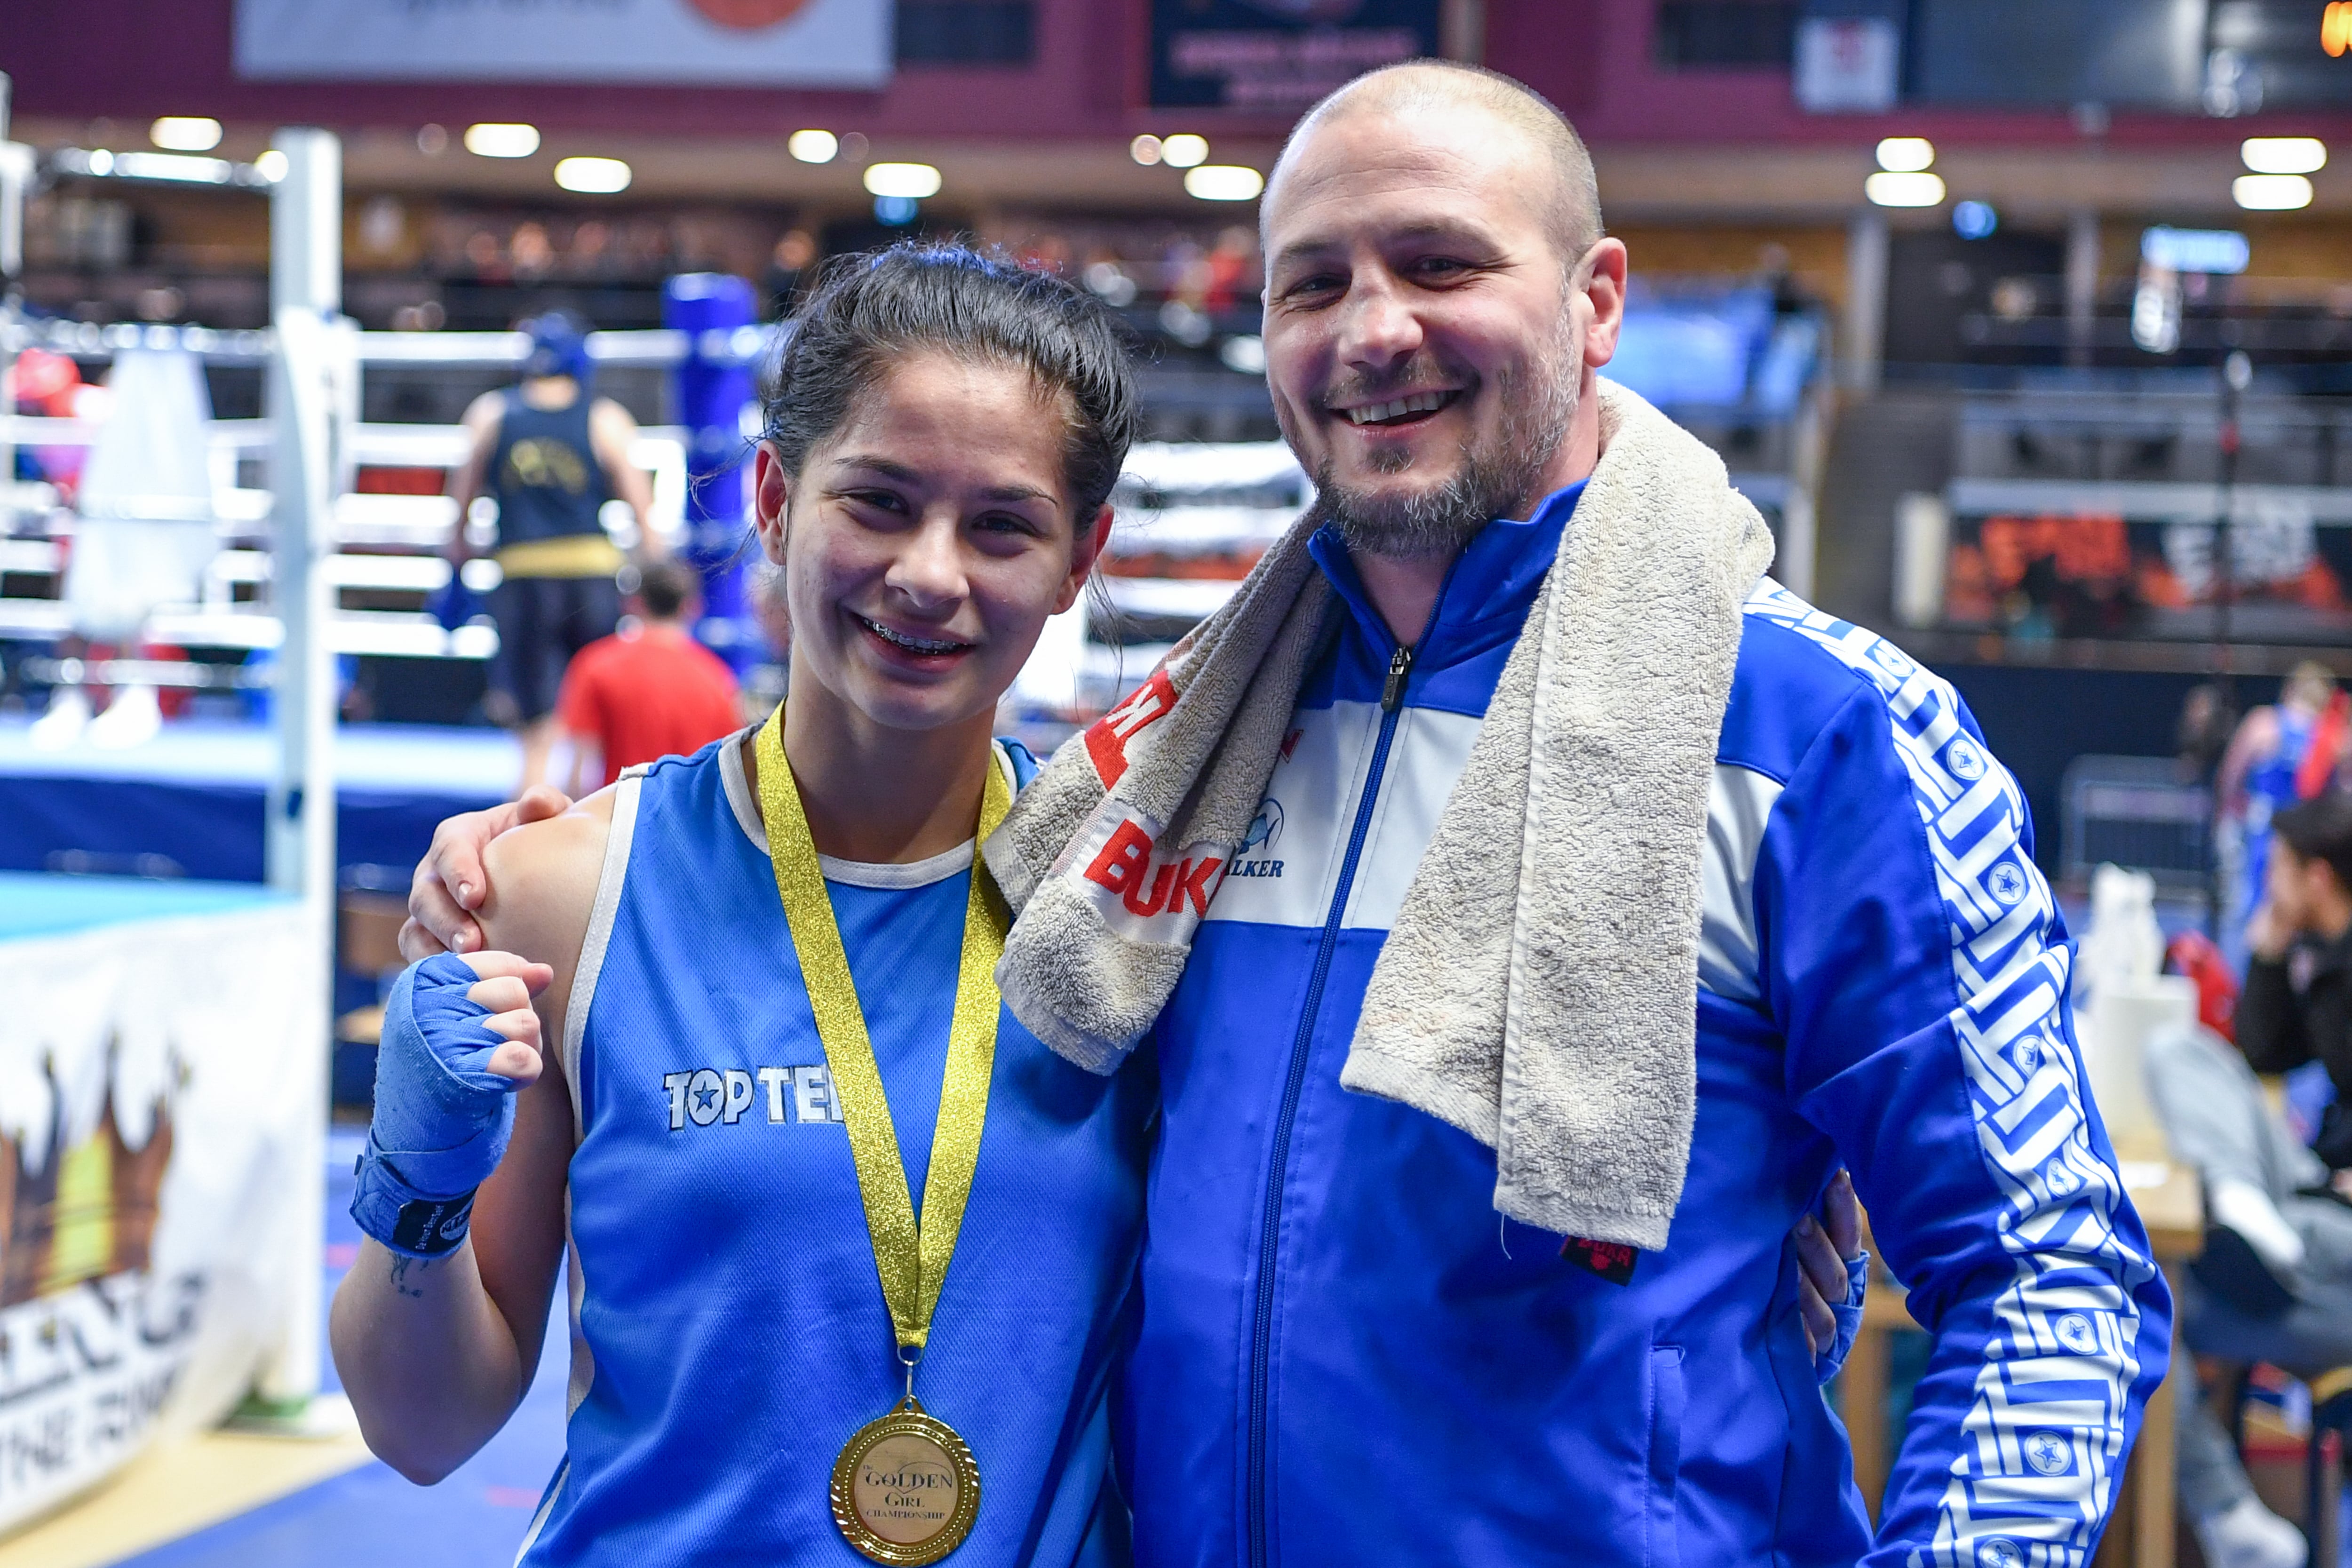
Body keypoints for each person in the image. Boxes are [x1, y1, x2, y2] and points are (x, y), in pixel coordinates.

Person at [404, 72, 2012, 1567]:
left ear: (1597, 302)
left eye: (1441, 263)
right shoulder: (1163, 795)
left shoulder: (1823, 730)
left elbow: (2041, 1279)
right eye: (1315, 283)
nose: (1377, 329)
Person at [335, 247, 1150, 1563]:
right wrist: (414, 1184)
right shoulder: (564, 890)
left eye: (1002, 524)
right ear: (775, 500)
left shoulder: (1135, 899)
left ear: (1078, 559)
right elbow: (421, 1427)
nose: (931, 573)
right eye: (878, 501)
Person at [2145, 1019, 2352, 1568]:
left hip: (2328, 1233)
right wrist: (2275, 949)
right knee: (2180, 1046)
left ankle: (2227, 1515)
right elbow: (2262, 1043)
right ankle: (2237, 1197)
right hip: (2314, 1188)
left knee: (2135, 1303)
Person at [450, 310, 658, 791]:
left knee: (536, 733)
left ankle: (524, 846)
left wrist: (456, 568)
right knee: (595, 730)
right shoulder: (604, 419)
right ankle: (590, 846)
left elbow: (459, 505)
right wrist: (656, 579)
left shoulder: (492, 414)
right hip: (591, 579)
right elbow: (643, 511)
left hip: (523, 579)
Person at [547, 559, 742, 796]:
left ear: (634, 604)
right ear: (692, 607)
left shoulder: (595, 666)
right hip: (686, 824)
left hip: (615, 821)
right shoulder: (718, 680)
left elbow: (579, 769)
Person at [2241, 792, 2352, 1171]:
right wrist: (2268, 955)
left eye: (2277, 869)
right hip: (2325, 1164)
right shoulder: (2325, 959)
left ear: (2317, 878)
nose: (2270, 886)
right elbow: (2268, 1054)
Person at [2220, 662, 2348, 944]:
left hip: (2267, 834)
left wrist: (2230, 810)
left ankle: (2253, 974)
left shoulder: (2264, 723)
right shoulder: (2333, 735)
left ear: (2289, 691)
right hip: (2309, 843)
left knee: (2255, 910)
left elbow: (2232, 773)